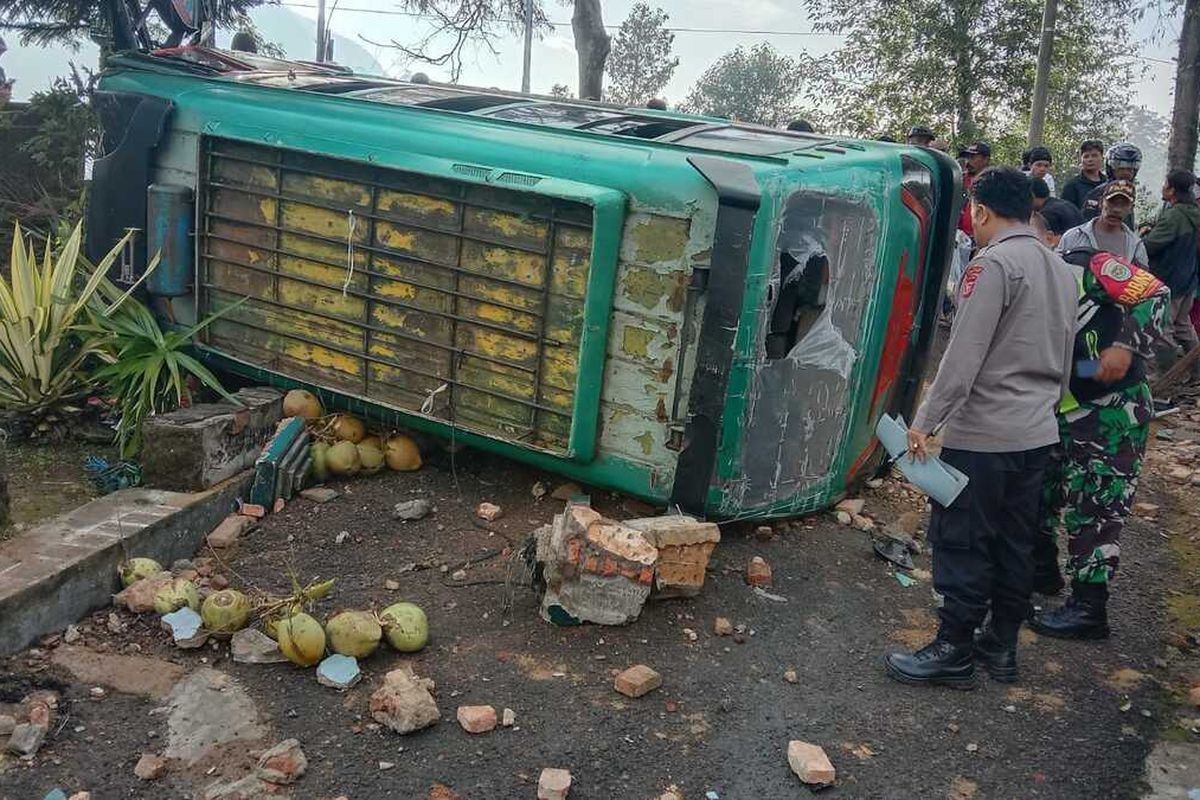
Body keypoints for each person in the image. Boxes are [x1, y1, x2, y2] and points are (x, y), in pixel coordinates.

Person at [883, 167, 1077, 688]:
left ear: (983, 211)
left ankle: (953, 650)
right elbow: (1064, 354)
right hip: (1036, 432)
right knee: (1015, 540)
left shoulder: (992, 266)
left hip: (986, 434)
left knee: (965, 538)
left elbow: (963, 357)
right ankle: (1001, 647)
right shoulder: (1059, 268)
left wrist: (925, 422)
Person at [1030, 249, 1169, 636]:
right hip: (1067, 397)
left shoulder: (1086, 266)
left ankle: (1089, 608)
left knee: (1096, 502)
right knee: (1039, 487)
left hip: (1114, 409)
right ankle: (1041, 571)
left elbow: (1155, 292)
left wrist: (1125, 347)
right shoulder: (1009, 272)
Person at [1142, 169, 1200, 373]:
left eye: (1165, 184)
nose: (1163, 188)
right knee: (1184, 326)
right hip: (1188, 279)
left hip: (1170, 280)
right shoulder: (1193, 211)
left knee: (1163, 328)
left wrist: (1141, 239)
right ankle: (1196, 371)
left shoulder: (1175, 215)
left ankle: (1166, 375)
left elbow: (1151, 246)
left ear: (1172, 190)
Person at [1058, 181, 1148, 267]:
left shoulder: (1136, 246)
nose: (1116, 210)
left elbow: (1143, 280)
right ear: (1101, 203)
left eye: (1123, 204)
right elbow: (1057, 271)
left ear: (1131, 209)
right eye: (1112, 202)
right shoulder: (1073, 236)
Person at [1082, 143, 1142, 225]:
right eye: (1121, 168)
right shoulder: (1097, 193)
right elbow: (1086, 226)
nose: (1126, 173)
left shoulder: (1130, 193)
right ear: (1111, 168)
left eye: (1130, 168)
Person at [957, 142, 992, 238]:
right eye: (967, 157)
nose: (968, 162)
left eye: (972, 158)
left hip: (982, 237)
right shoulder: (960, 180)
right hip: (959, 237)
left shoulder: (994, 183)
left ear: (985, 160)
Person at [1061, 140, 1106, 211]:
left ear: (1102, 158)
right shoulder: (1072, 186)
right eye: (1086, 156)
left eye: (1094, 156)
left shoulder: (1109, 184)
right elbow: (1067, 214)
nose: (1090, 159)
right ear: (1080, 160)